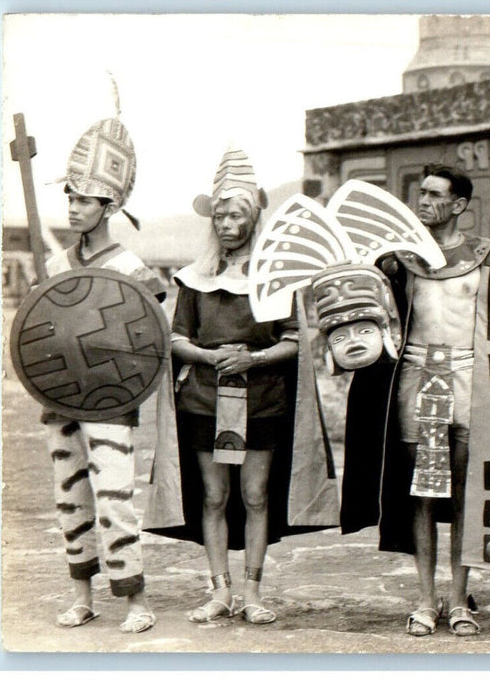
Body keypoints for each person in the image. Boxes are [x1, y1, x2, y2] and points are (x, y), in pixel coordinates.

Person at [341, 164, 490, 637]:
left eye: (435, 194)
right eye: (421, 193)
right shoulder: (398, 261)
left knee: (464, 492)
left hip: (468, 376)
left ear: (459, 204)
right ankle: (425, 599)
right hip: (417, 375)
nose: (424, 201)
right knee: (421, 494)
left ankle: (460, 599)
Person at [144, 148, 336, 625]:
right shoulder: (195, 277)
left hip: (261, 399)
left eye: (238, 214)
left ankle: (252, 590)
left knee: (255, 496)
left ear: (255, 217)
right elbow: (176, 338)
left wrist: (254, 358)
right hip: (205, 399)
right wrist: (210, 356)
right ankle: (218, 590)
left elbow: (295, 339)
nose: (229, 222)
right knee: (213, 497)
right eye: (222, 215)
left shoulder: (276, 277)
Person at [42, 114, 163, 633]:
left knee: (115, 495)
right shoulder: (54, 267)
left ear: (109, 206)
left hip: (112, 398)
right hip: (60, 398)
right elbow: (42, 335)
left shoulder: (132, 269)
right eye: (69, 197)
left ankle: (135, 600)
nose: (73, 208)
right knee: (70, 494)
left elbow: (148, 338)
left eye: (84, 200)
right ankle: (81, 595)